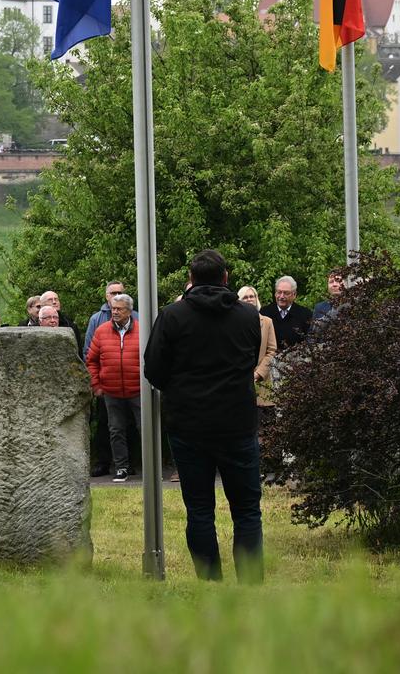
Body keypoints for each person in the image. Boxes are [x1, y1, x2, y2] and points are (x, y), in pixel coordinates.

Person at [143, 248, 264, 583]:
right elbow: (250, 358)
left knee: (199, 509)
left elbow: (153, 368)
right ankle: (251, 583)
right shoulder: (247, 316)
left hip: (188, 424)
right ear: (226, 278)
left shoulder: (172, 316)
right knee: (247, 510)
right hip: (237, 422)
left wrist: (180, 389)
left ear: (190, 279)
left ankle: (210, 581)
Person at [85, 295, 142, 480]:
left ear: (129, 311)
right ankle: (121, 467)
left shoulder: (143, 330)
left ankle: (149, 465)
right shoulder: (101, 331)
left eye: (119, 309)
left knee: (144, 428)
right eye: (113, 308)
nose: (115, 312)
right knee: (115, 429)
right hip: (111, 390)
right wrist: (96, 385)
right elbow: (91, 361)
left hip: (138, 389)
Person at [260, 276, 312, 352]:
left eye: (286, 293)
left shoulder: (305, 314)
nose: (281, 296)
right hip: (269, 360)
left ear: (294, 294)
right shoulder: (264, 313)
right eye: (279, 292)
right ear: (275, 293)